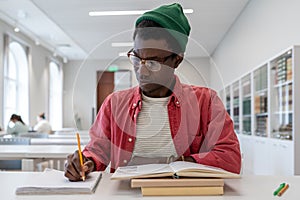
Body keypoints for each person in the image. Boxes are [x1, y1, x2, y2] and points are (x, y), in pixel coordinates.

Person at [64, 3, 241, 181]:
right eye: (136, 58)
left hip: (184, 193)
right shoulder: (114, 103)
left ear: (177, 60)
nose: (142, 71)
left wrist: (178, 162)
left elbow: (230, 158)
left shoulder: (206, 102)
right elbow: (97, 150)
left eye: (153, 63)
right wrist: (85, 162)